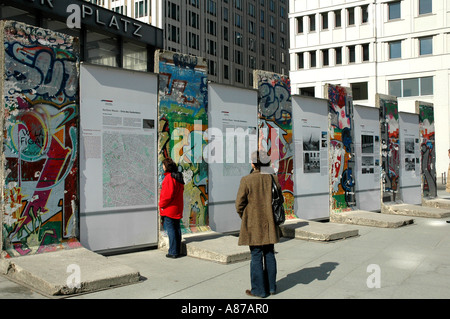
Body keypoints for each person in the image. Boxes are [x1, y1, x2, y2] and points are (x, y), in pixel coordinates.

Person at [235, 150, 282, 298]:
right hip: (269, 223)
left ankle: (258, 290)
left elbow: (239, 205)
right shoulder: (273, 178)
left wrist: (246, 217)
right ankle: (271, 287)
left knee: (255, 255)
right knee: (269, 253)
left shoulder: (247, 180)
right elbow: (279, 199)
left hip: (253, 223)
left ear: (254, 164)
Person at [159, 158, 185, 258]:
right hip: (177, 207)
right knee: (177, 229)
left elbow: (167, 195)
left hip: (169, 208)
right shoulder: (178, 177)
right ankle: (177, 250)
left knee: (171, 230)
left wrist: (161, 204)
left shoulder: (169, 178)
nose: (162, 167)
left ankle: (173, 252)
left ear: (166, 167)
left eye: (163, 165)